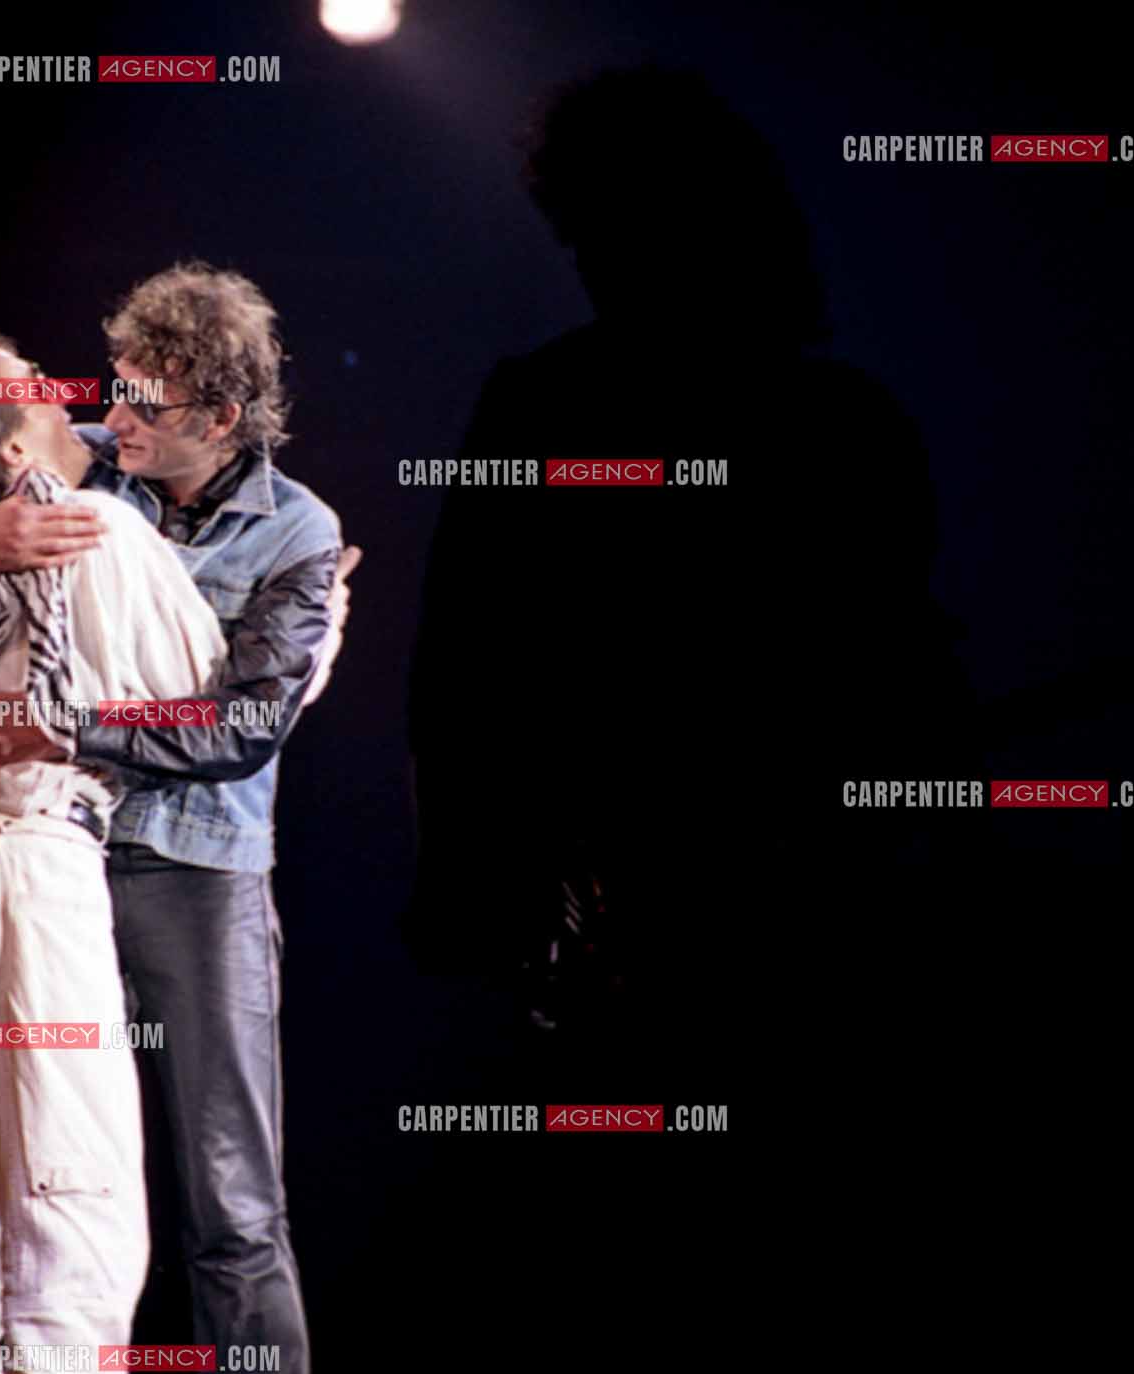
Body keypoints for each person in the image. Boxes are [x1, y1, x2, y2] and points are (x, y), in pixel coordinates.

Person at [0, 265, 352, 1374]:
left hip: (189, 866)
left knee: (225, 1206)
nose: (110, 422)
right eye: (109, 395)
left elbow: (239, 726)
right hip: (43, 860)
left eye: (145, 406)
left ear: (220, 417)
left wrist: (78, 728)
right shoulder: (71, 470)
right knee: (32, 1189)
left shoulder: (290, 531)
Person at [404, 67, 967, 1068]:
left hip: (718, 923)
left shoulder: (553, 403)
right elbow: (463, 665)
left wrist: (472, 884)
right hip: (754, 926)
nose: (590, 258)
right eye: (583, 226)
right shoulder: (841, 421)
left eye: (603, 222)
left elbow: (463, 664)